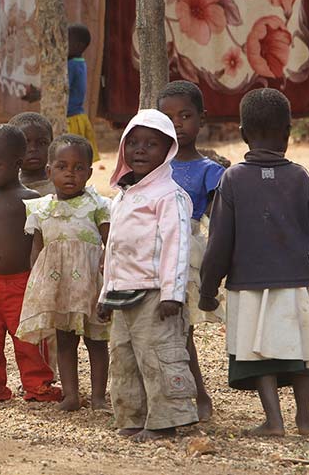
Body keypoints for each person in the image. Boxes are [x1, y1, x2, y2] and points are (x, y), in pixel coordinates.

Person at [199, 88, 309, 436]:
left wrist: (208, 289)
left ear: (243, 132)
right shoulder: (301, 177)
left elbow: (219, 242)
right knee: (301, 350)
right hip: (298, 282)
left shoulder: (232, 179)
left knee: (259, 350)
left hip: (249, 286)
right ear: (288, 133)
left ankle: (274, 421)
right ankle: (305, 420)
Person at [98, 109, 197, 442]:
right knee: (124, 358)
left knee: (158, 355)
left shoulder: (168, 196)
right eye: (134, 143)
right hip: (122, 294)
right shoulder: (124, 194)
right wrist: (105, 294)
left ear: (167, 150)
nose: (140, 150)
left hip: (155, 296)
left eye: (151, 144)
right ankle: (132, 417)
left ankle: (165, 421)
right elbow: (113, 249)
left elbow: (177, 245)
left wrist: (172, 293)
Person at [0, 124, 62, 403]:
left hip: (21, 284)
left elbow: (42, 243)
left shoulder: (33, 201)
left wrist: (42, 281)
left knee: (28, 339)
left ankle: (37, 385)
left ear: (17, 164)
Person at [16, 134, 111, 411]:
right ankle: (70, 395)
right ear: (49, 171)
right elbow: (37, 249)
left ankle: (98, 397)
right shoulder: (41, 208)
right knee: (65, 341)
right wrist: (38, 282)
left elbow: (111, 242)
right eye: (62, 166)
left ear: (89, 172)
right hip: (59, 287)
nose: (70, 173)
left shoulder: (97, 205)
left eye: (79, 167)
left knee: (96, 341)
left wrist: (109, 273)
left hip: (90, 286)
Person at [157, 80, 225, 421]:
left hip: (185, 255)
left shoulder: (209, 171)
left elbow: (220, 223)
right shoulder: (150, 165)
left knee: (182, 331)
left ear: (202, 118)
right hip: (148, 254)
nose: (177, 124)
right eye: (168, 118)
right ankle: (159, 394)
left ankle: (198, 393)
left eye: (185, 115)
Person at [66, 23, 100, 162]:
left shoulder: (71, 65)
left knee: (69, 158)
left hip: (71, 120)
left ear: (78, 45)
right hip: (78, 117)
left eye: (66, 41)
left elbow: (62, 88)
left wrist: (38, 94)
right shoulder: (80, 63)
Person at [9, 112, 55, 196]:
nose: (33, 149)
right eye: (25, 144)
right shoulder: (7, 186)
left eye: (42, 143)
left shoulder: (60, 185)